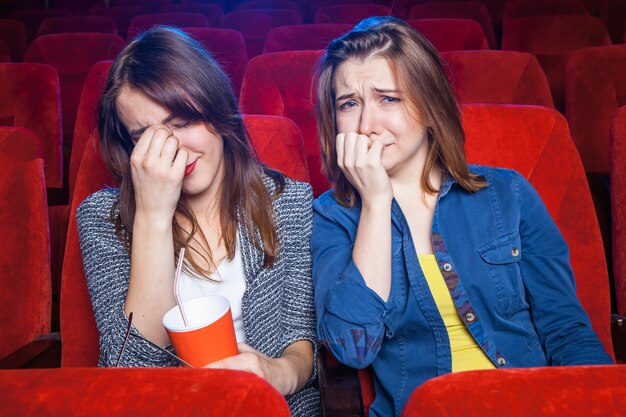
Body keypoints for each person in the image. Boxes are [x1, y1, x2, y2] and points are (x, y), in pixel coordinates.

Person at [311, 16, 612, 417]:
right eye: (349, 104)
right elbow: (353, 348)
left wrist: (601, 402)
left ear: (430, 106)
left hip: (531, 404)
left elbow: (567, 330)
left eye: (389, 98)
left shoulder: (508, 193)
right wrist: (377, 201)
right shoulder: (332, 217)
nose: (367, 125)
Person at [77, 26, 320, 416]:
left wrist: (276, 373)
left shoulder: (288, 202)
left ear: (216, 110)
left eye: (182, 122)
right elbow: (130, 370)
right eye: (146, 135)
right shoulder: (102, 220)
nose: (172, 149)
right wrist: (154, 216)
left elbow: (301, 341)